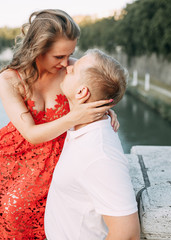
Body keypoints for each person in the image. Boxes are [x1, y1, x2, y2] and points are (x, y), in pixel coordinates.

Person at [0, 9, 119, 239]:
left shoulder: (72, 69)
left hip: (55, 155)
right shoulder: (9, 79)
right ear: (37, 50)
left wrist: (104, 109)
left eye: (70, 54)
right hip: (13, 152)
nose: (66, 63)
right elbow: (31, 133)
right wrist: (77, 116)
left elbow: (99, 88)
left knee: (20, 211)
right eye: (58, 56)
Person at [44, 49, 141, 240]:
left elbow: (128, 234)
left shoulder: (99, 155)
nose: (67, 66)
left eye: (74, 68)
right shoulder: (82, 127)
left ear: (82, 92)